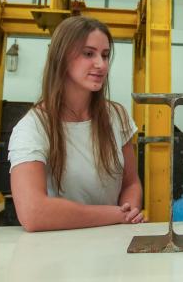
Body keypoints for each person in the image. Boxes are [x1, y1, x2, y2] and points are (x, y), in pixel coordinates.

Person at [8, 15, 143, 231]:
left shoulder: (117, 116)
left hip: (112, 241)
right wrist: (115, 215)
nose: (101, 64)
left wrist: (128, 217)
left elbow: (131, 183)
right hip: (57, 250)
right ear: (61, 57)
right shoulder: (32, 127)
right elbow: (33, 213)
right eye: (88, 54)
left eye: (105, 55)